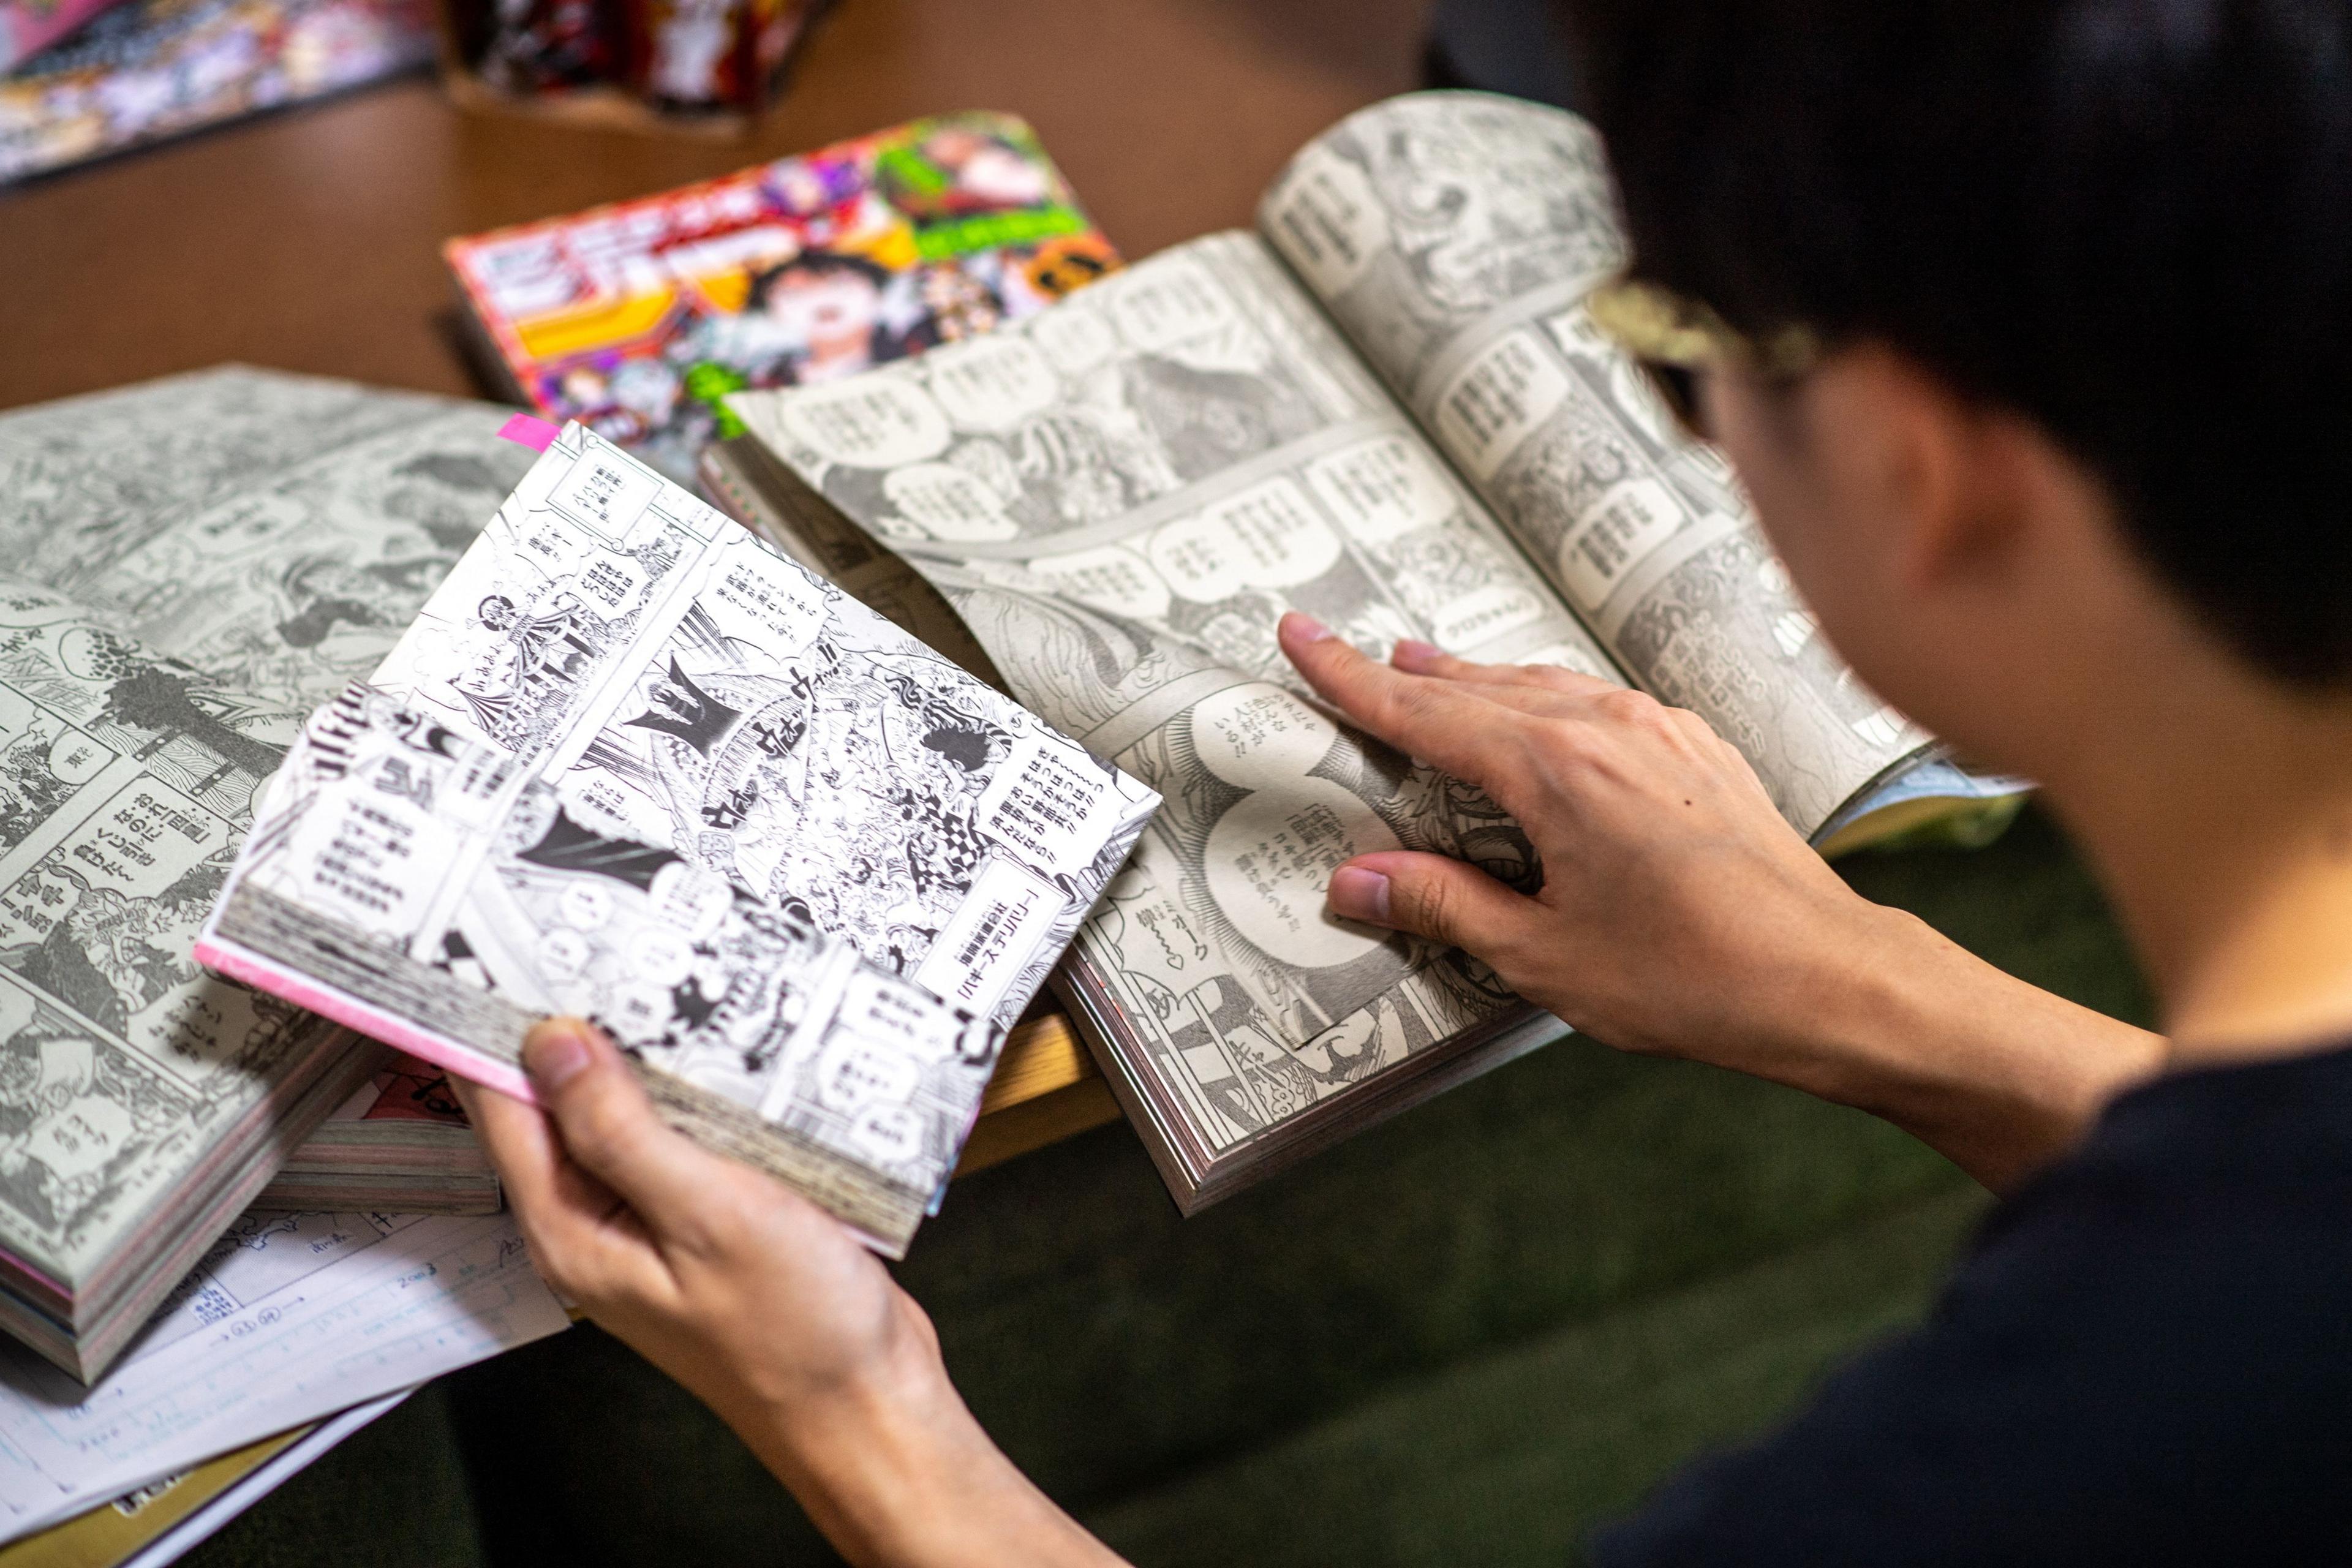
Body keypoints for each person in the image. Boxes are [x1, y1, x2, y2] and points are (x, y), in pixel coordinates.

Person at [454, 1, 2352, 1560]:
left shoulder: (2047, 1455)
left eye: (1682, 364)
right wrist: (1874, 988)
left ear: (1925, 467)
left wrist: (855, 1411)